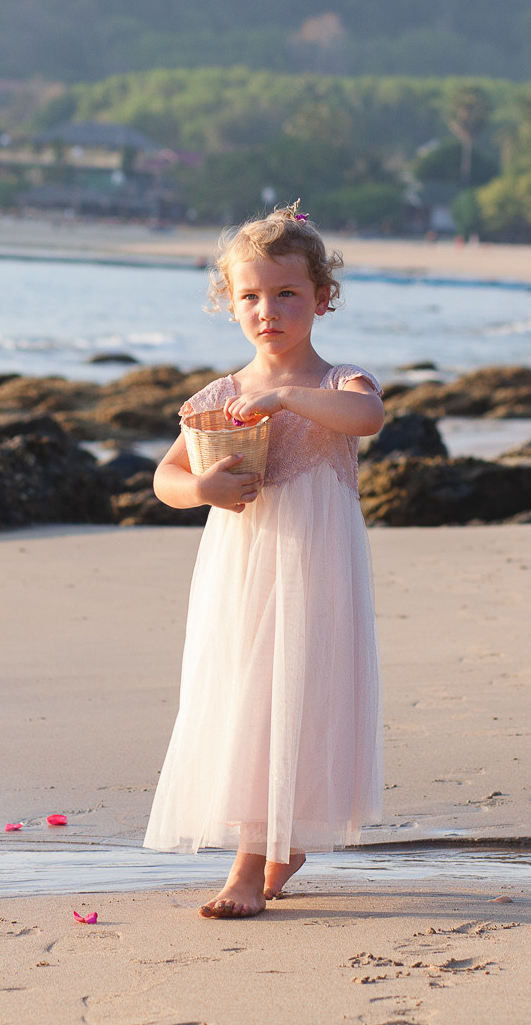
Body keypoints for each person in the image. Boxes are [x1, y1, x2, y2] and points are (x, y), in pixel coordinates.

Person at [144, 202, 386, 918]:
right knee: (245, 697)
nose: (268, 310)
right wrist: (203, 487)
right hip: (241, 572)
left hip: (314, 568)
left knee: (297, 695)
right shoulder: (219, 398)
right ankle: (273, 846)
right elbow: (165, 477)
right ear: (229, 303)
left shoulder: (342, 379)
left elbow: (368, 419)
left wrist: (286, 395)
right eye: (249, 295)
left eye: (286, 293)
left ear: (322, 297)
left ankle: (254, 864)